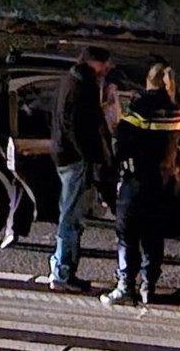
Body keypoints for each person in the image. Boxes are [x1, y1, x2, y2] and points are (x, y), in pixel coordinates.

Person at [100, 63, 180, 306]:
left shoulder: (141, 106)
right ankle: (149, 286)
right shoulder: (176, 109)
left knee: (127, 234)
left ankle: (125, 286)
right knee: (153, 235)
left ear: (150, 81)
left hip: (136, 180)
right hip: (162, 182)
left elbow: (122, 139)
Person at [48, 45, 112, 293]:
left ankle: (63, 270)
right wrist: (89, 157)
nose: (106, 69)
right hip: (75, 160)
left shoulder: (69, 80)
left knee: (71, 214)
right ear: (94, 63)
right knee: (71, 217)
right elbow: (77, 127)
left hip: (65, 156)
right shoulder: (82, 86)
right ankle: (62, 272)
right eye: (104, 64)